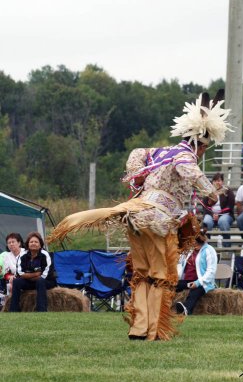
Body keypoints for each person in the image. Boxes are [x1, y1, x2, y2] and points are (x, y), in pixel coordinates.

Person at [48, 90, 233, 341]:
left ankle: (139, 328)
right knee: (160, 274)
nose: (202, 153)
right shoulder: (184, 155)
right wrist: (212, 193)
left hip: (136, 214)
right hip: (157, 218)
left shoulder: (161, 151)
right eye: (204, 148)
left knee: (142, 272)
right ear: (199, 142)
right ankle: (153, 329)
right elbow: (189, 171)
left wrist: (137, 177)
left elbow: (135, 153)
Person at [9, 232, 56, 312]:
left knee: (40, 281)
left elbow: (45, 275)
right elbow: (20, 273)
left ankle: (41, 310)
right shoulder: (22, 255)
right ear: (28, 244)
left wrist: (28, 276)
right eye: (31, 242)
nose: (33, 243)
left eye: (36, 242)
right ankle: (13, 310)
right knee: (16, 281)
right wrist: (36, 274)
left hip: (46, 282)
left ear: (40, 244)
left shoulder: (45, 255)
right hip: (30, 281)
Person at [175, 233, 217, 316]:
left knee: (195, 292)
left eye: (198, 243)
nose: (195, 245)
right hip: (188, 281)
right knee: (173, 285)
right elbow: (180, 264)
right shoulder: (189, 250)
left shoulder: (209, 250)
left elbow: (211, 271)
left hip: (203, 282)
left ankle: (186, 309)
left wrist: (197, 283)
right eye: (194, 243)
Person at [202, 173, 235, 247]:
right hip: (211, 214)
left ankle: (227, 245)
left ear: (222, 182)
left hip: (225, 215)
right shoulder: (208, 192)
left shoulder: (228, 191)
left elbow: (230, 206)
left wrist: (219, 215)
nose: (217, 182)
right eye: (215, 181)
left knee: (223, 221)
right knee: (206, 221)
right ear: (212, 182)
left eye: (219, 180)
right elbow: (205, 207)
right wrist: (212, 214)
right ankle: (207, 244)